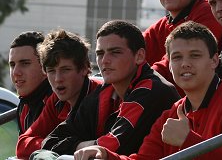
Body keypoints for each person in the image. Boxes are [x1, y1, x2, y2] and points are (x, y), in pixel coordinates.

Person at [74, 21, 222, 160]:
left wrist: (189, 141)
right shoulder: (170, 114)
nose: (185, 64)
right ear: (169, 64)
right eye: (177, 57)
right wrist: (105, 155)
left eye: (194, 55)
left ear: (214, 60)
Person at [35, 20, 180, 157]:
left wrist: (82, 146)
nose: (104, 60)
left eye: (115, 52)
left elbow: (113, 147)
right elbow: (50, 142)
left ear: (139, 56)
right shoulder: (105, 90)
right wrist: (89, 145)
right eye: (100, 53)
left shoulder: (151, 90)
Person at [15, 29, 102, 159]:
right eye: (51, 71)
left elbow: (107, 145)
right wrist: (75, 146)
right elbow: (23, 145)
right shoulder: (56, 101)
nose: (57, 79)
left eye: (65, 70)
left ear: (85, 68)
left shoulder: (104, 96)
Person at [143, 0, 222, 96]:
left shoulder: (208, 11)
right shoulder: (164, 23)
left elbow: (168, 64)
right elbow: (133, 50)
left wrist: (140, 81)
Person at [8, 31, 52, 135]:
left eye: (25, 63)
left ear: (44, 66)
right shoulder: (23, 106)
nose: (16, 72)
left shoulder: (61, 101)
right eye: (12, 65)